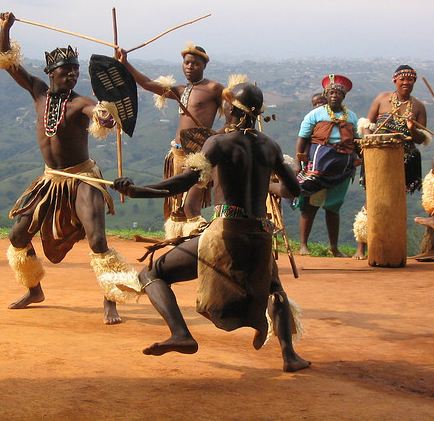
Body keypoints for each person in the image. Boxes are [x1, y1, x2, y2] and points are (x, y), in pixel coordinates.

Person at [113, 81, 311, 372]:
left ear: (230, 109)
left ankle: (181, 334)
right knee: (275, 289)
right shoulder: (270, 146)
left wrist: (138, 190)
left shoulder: (219, 143)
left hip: (225, 234)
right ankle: (289, 355)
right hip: (259, 235)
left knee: (152, 273)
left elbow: (183, 181)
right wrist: (265, 183)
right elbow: (293, 190)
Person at [0, 11, 141, 325]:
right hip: (51, 179)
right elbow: (7, 61)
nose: (72, 75)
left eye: (75, 70)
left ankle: (111, 300)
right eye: (65, 70)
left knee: (97, 240)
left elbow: (100, 115)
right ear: (50, 73)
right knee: (17, 235)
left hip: (82, 177)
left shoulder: (80, 102)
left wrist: (106, 115)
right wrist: (4, 29)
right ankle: (34, 290)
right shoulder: (38, 92)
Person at [116, 44, 224, 238]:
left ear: (204, 66)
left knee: (191, 206)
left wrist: (217, 135)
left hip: (200, 157)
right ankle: (180, 244)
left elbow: (235, 113)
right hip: (177, 154)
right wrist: (126, 63)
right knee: (177, 207)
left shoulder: (213, 88)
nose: (190, 66)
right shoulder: (181, 90)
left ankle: (202, 245)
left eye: (196, 63)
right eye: (187, 62)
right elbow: (148, 84)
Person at [352, 65, 429, 259]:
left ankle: (392, 247)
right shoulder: (381, 99)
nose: (405, 83)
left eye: (409, 80)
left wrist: (411, 127)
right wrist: (370, 144)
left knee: (395, 202)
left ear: (414, 82)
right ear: (394, 80)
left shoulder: (418, 106)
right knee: (372, 200)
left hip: (405, 158)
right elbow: (367, 126)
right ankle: (361, 247)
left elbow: (421, 139)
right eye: (402, 79)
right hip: (378, 158)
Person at [293, 75, 361, 257]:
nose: (334, 96)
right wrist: (297, 163)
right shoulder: (315, 114)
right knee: (311, 204)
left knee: (334, 206)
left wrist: (362, 162)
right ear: (326, 93)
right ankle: (303, 245)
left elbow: (358, 142)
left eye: (338, 93)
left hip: (343, 166)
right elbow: (302, 138)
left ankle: (334, 247)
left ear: (343, 96)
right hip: (318, 164)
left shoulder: (352, 117)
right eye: (331, 92)